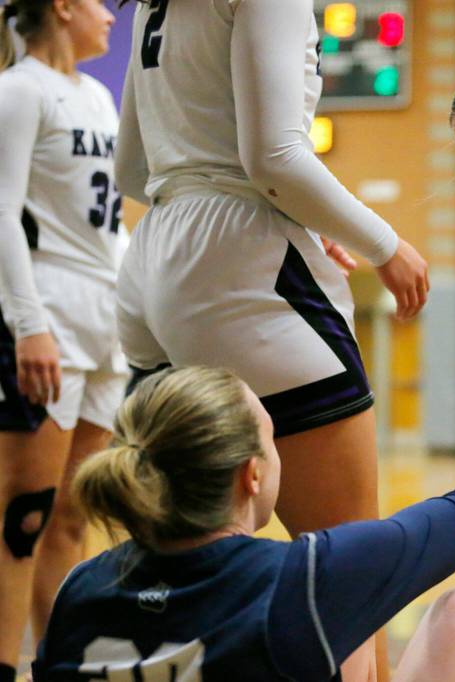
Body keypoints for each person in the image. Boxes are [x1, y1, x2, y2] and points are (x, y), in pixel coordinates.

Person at [113, 0, 429, 675]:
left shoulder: (150, 6)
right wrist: (386, 245)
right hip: (241, 262)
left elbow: (132, 171)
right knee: (351, 570)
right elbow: (275, 157)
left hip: (153, 260)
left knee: (187, 566)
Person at [31, 365, 455, 681]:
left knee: (344, 638)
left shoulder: (82, 587)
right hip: (303, 605)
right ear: (251, 474)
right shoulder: (305, 579)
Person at [0, 1, 125, 679]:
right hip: (48, 313)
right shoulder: (19, 91)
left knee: (73, 515)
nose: (109, 14)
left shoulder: (99, 96)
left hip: (105, 319)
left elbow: (109, 224)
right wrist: (29, 324)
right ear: (62, 6)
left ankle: (60, 665)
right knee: (23, 515)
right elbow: (1, 211)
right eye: (98, 2)